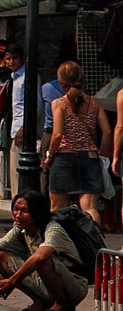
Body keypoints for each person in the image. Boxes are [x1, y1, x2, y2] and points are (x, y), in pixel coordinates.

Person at [0, 190, 88, 311]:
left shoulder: (53, 228)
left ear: (37, 214)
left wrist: (12, 281)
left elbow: (41, 257)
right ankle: (39, 302)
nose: (18, 215)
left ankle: (62, 305)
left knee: (42, 260)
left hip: (73, 287)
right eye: (16, 209)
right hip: (45, 284)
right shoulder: (20, 229)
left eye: (24, 211)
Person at [43, 61, 110, 226]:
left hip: (64, 159)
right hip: (90, 158)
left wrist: (49, 156)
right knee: (90, 208)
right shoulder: (94, 103)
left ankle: (59, 244)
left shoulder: (59, 104)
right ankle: (94, 244)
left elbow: (57, 134)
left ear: (60, 81)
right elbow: (107, 132)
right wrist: (100, 153)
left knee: (57, 207)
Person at [5, 43, 41, 198]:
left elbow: (36, 104)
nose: (11, 62)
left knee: (22, 173)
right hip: (15, 129)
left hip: (23, 130)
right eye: (8, 59)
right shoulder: (13, 79)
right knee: (15, 173)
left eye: (15, 58)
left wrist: (24, 127)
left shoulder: (29, 76)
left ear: (22, 59)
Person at [39, 74, 67, 197]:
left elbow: (57, 133)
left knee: (46, 170)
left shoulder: (47, 88)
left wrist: (49, 155)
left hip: (51, 132)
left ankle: (44, 203)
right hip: (72, 135)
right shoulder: (83, 92)